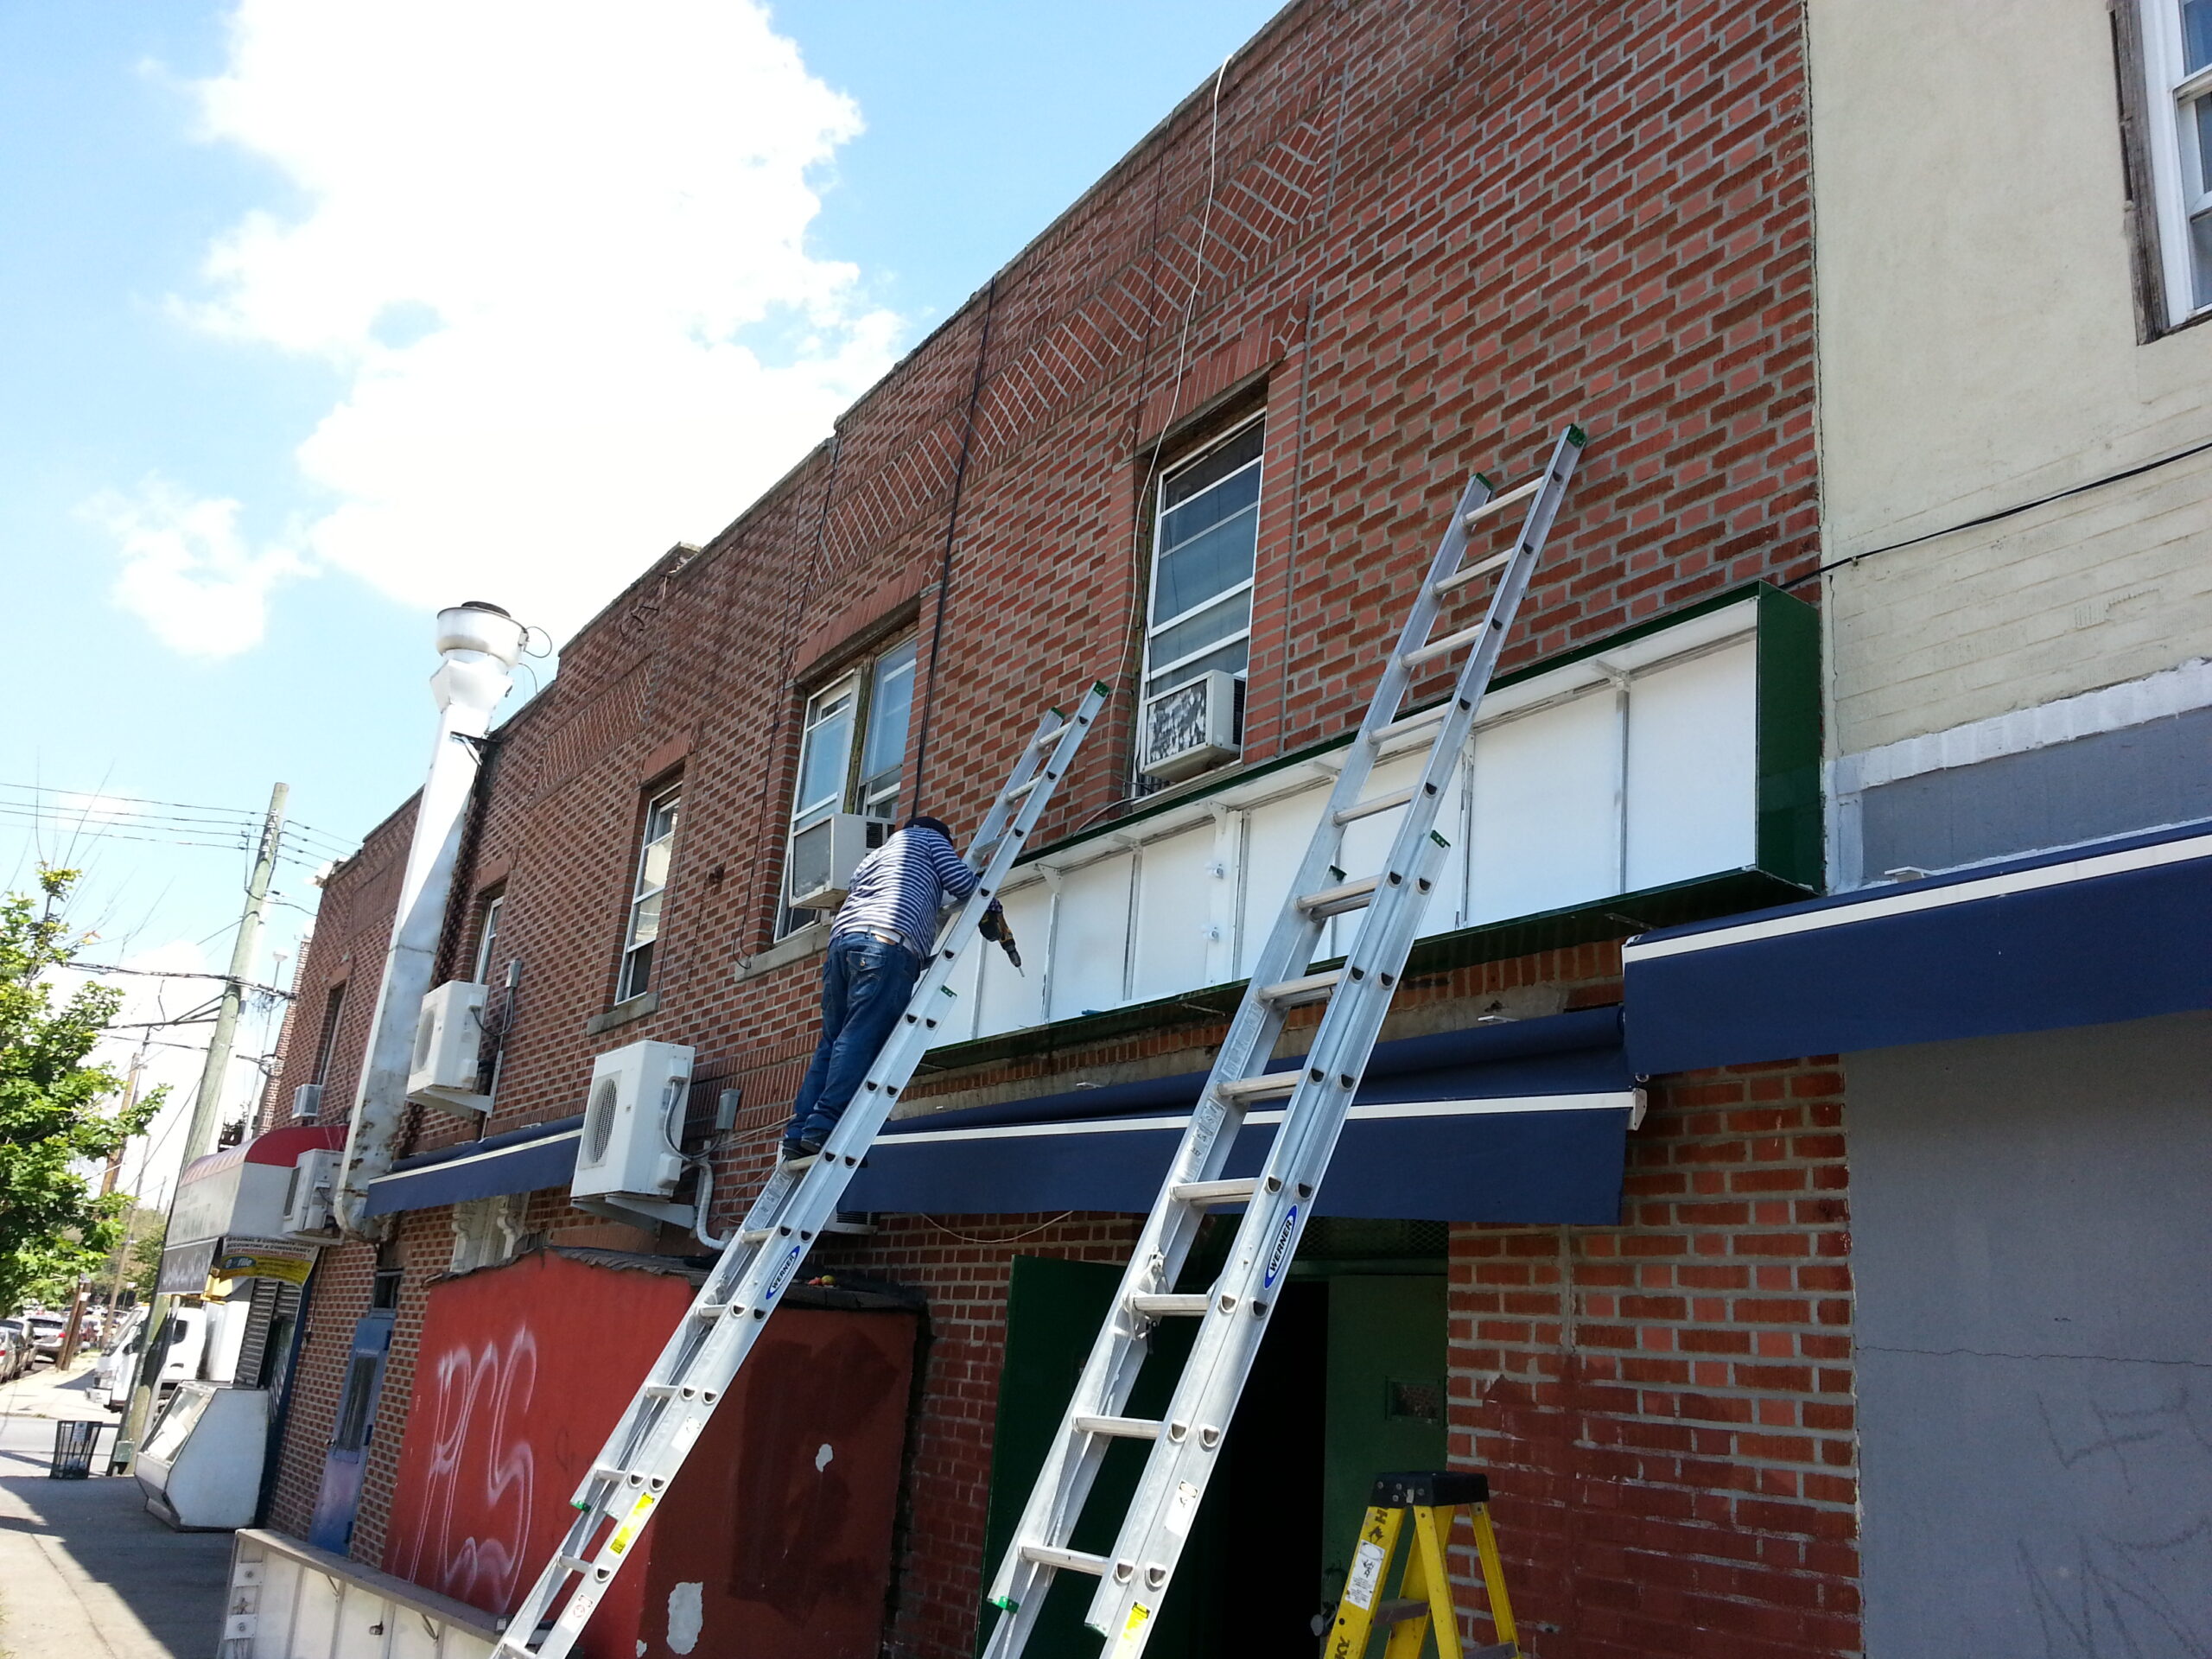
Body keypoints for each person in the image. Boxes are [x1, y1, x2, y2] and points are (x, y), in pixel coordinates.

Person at [781, 814, 988, 1160]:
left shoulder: (876, 856)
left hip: (844, 947)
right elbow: (964, 884)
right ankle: (825, 1124)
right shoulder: (929, 840)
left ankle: (798, 1130)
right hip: (886, 943)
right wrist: (986, 895)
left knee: (832, 1040)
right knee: (861, 1035)